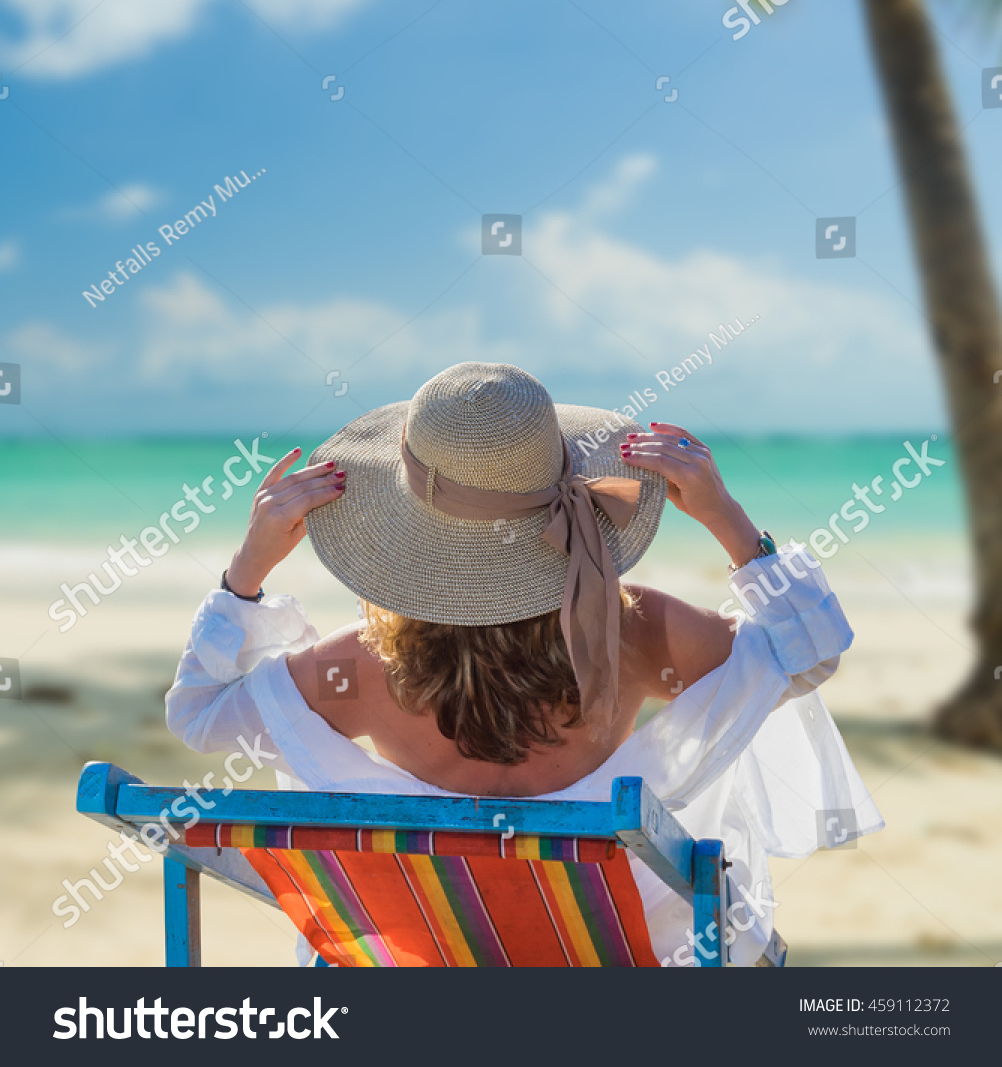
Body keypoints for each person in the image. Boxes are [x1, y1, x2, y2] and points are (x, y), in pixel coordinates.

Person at [167, 361, 881, 966]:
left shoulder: (356, 670)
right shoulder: (636, 634)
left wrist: (246, 574)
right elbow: (806, 653)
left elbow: (197, 713)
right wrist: (728, 518)